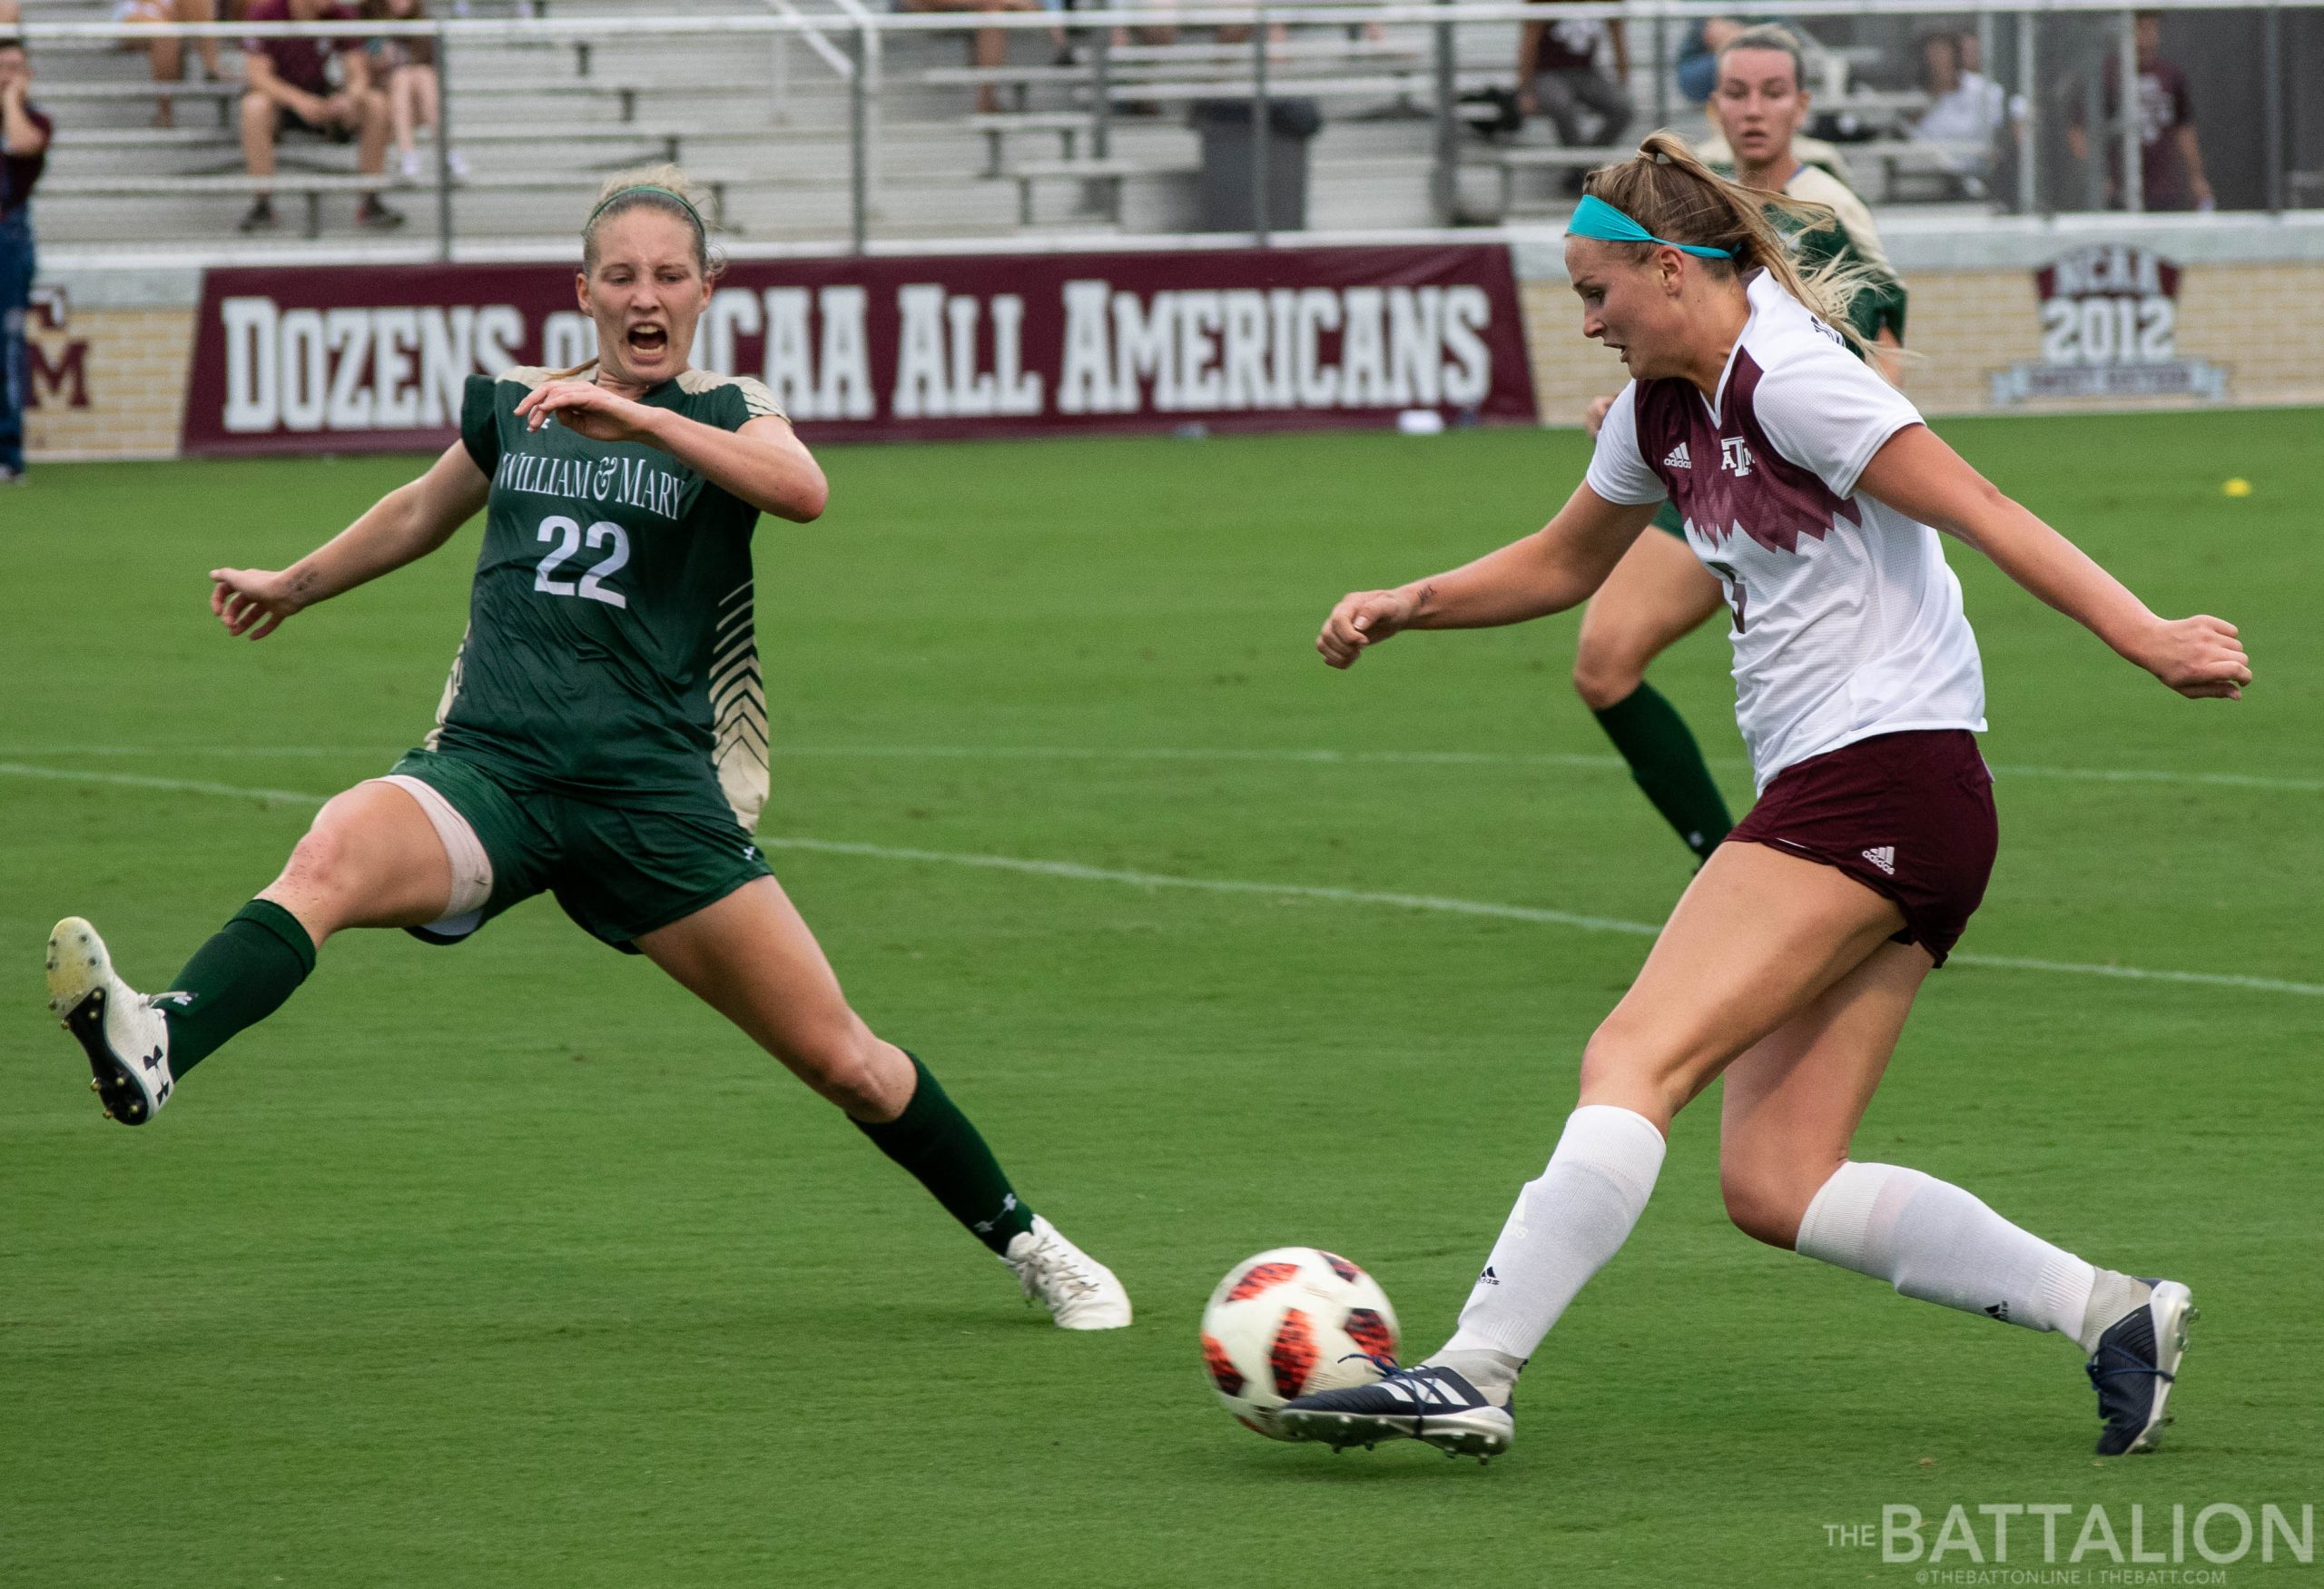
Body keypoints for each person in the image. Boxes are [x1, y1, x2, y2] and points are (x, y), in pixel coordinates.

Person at [1278, 133, 2247, 1462]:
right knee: (1775, 1179)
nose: (1588, 320)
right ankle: (2114, 1311)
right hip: (1895, 794)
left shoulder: (1796, 377)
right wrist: (1410, 603)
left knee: (1632, 1056)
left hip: (1882, 774)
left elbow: (1980, 501)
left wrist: (2145, 633)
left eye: (1595, 291)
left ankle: (1475, 1363)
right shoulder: (1658, 409)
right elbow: (1566, 563)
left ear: (1669, 269)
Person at [43, 164, 1132, 1334]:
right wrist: (292, 585)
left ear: (709, 290)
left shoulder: (725, 411)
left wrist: (647, 418)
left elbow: (804, 491)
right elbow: (420, 509)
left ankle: (1029, 1240)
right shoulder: (520, 403)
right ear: (585, 291)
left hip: (654, 803)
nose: (645, 294)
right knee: (331, 853)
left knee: (845, 1060)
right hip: (491, 773)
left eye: (670, 274)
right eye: (622, 275)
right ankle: (162, 1039)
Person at [1565, 23, 1909, 871]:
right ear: (1712, 104)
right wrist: (1642, 411)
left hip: (1797, 482)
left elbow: (1882, 355)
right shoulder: (1695, 207)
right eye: (1738, 93)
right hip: (1705, 471)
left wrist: (1871, 448)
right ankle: (1724, 864)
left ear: (1803, 103)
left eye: (1773, 92)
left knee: (1823, 704)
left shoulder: (1827, 207)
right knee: (1604, 664)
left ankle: (1818, 874)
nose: (1755, 110)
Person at [237, 0, 402, 232]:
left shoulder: (342, 14)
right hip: (283, 101)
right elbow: (257, 75)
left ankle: (371, 200)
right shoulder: (265, 12)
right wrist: (299, 101)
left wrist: (349, 98)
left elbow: (358, 73)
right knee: (254, 106)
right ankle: (262, 204)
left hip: (325, 95)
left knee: (375, 103)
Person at [2064, 12, 2213, 212]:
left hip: (2164, 191)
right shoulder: (2105, 75)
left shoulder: (2170, 75)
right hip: (2117, 193)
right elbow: (2079, 134)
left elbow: (2184, 131)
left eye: (2153, 28)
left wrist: (2197, 178)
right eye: (2141, 29)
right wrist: (2098, 177)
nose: (2148, 38)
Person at [0, 32, 50, 486]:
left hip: (8, 242)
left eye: (16, 68)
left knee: (8, 347)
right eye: (2, 67)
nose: (7, 76)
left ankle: (8, 455)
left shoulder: (36, 122)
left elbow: (21, 144)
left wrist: (12, 99)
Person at [359, 0, 465, 182]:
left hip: (420, 100)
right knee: (402, 78)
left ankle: (443, 152)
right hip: (388, 100)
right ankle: (408, 154)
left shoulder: (425, 26)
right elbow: (370, 66)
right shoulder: (374, 23)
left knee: (421, 75)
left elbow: (433, 67)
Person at [1915, 28, 2022, 192]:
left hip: (1981, 183)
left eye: (1944, 55)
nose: (1939, 63)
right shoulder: (1915, 101)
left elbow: (2020, 110)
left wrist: (2006, 150)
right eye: (1933, 57)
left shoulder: (1980, 90)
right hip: (1929, 184)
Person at [1518, 0, 1630, 152]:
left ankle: (1585, 163)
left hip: (1586, 71)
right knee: (1561, 104)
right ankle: (1581, 167)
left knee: (1623, 107)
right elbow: (1529, 43)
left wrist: (1623, 83)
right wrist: (1526, 90)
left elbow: (1618, 37)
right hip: (1550, 72)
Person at [116, 0, 227, 129]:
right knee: (165, 34)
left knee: (197, 3)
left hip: (172, 13)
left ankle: (211, 67)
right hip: (136, 10)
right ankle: (165, 111)